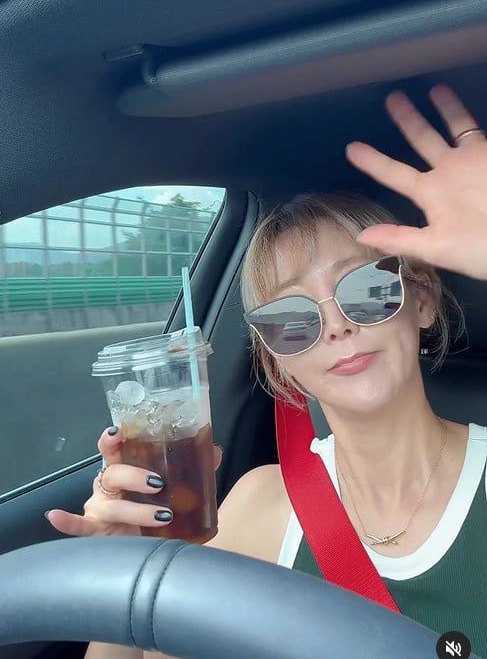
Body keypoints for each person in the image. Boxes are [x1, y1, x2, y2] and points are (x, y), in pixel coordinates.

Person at [45, 85, 487, 658]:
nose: (335, 326)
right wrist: (126, 569)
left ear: (421, 301)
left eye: (367, 288)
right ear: (277, 357)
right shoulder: (257, 507)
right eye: (291, 318)